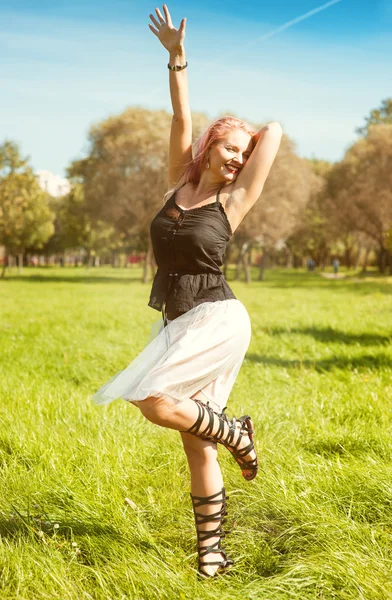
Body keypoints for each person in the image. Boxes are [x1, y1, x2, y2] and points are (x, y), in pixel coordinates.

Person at [93, 4, 282, 578]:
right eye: (230, 148)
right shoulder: (181, 181)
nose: (238, 159)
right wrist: (177, 58)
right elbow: (181, 117)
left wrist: (250, 134)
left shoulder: (234, 202)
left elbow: (273, 134)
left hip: (219, 320)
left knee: (152, 401)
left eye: (243, 157)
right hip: (177, 321)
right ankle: (212, 554)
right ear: (209, 144)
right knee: (195, 442)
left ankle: (236, 433)